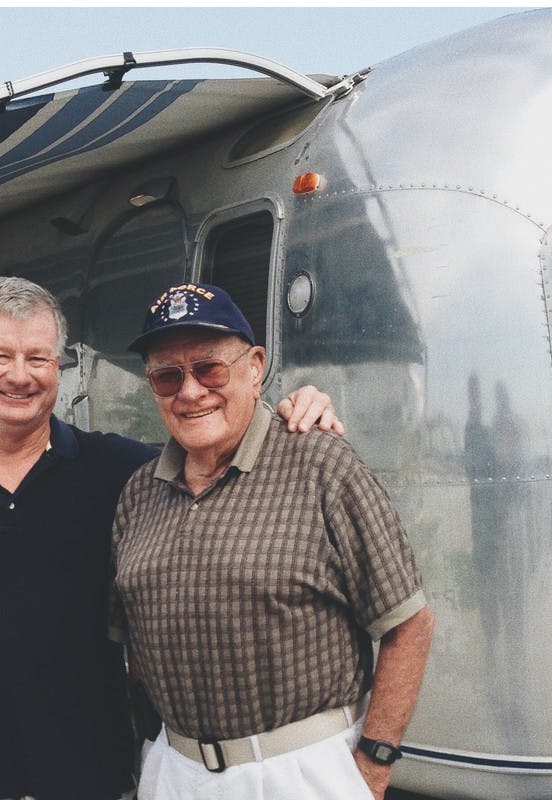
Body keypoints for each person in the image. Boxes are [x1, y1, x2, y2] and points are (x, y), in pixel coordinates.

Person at [0, 276, 343, 800]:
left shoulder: (120, 470)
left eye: (38, 358)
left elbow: (214, 440)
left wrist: (288, 410)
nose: (19, 376)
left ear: (59, 367)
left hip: (95, 776)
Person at [112, 283, 435, 800]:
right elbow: (131, 655)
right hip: (175, 773)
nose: (190, 391)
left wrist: (372, 767)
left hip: (300, 774)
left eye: (209, 368)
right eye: (168, 376)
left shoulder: (321, 464)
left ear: (255, 365)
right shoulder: (138, 493)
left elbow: (408, 623)